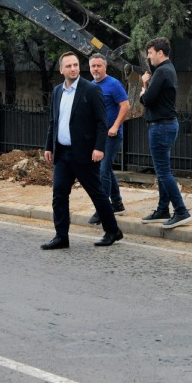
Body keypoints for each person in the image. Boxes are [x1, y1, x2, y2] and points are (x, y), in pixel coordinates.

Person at [42, 52, 124, 249]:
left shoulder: (90, 90)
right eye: (68, 66)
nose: (73, 69)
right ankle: (61, 236)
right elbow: (54, 121)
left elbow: (101, 122)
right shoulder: (57, 92)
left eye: (76, 65)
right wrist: (48, 146)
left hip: (85, 154)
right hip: (62, 153)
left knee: (96, 193)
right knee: (59, 194)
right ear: (61, 69)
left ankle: (112, 230)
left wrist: (99, 148)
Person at [139, 37, 191, 229]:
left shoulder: (162, 71)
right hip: (166, 125)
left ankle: (181, 211)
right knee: (162, 171)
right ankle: (163, 209)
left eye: (150, 53)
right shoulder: (167, 69)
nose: (148, 57)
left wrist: (145, 85)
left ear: (160, 53)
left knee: (163, 172)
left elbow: (148, 100)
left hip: (160, 126)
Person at [87, 53, 129, 225]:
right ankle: (117, 203)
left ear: (105, 67)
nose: (96, 69)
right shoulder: (90, 86)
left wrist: (115, 126)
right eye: (93, 66)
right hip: (97, 136)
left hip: (111, 136)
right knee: (107, 170)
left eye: (99, 65)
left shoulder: (114, 84)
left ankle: (101, 209)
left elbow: (125, 106)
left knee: (102, 171)